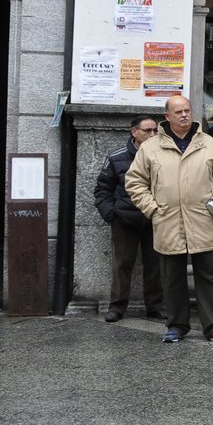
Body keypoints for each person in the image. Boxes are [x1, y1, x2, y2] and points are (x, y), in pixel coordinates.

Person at [124, 95, 213, 345]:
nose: (185, 114)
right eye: (178, 112)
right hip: (167, 221)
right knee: (172, 278)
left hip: (203, 221)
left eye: (188, 110)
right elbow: (134, 182)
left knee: (210, 277)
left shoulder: (209, 144)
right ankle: (176, 325)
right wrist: (152, 209)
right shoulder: (151, 147)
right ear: (167, 116)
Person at [94, 115, 165, 323]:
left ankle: (155, 306)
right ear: (134, 132)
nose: (152, 134)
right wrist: (112, 213)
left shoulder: (163, 155)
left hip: (155, 219)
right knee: (122, 264)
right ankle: (116, 307)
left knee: (155, 265)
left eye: (155, 131)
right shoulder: (117, 157)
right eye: (147, 130)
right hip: (125, 219)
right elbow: (102, 190)